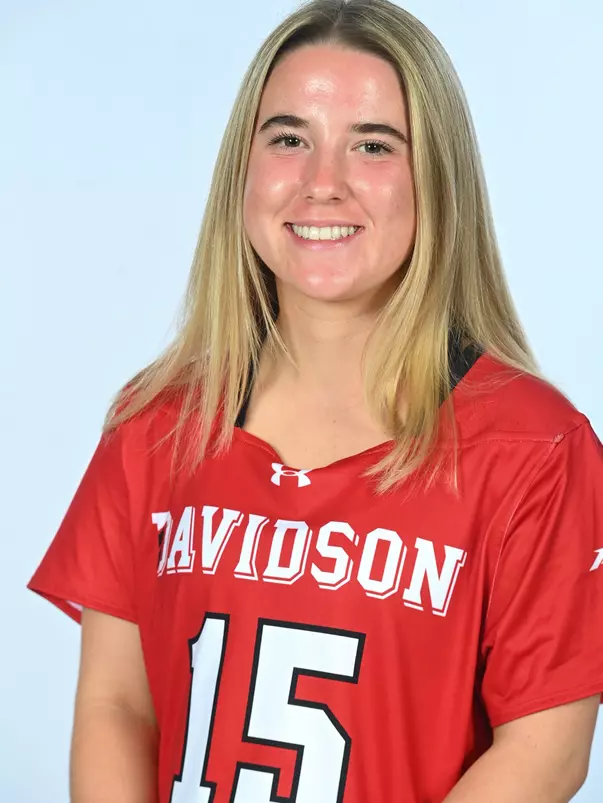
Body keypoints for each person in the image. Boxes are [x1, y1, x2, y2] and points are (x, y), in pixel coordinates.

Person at [28, 0, 603, 801]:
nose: (320, 183)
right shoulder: (157, 422)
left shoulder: (534, 447)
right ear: (245, 165)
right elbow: (116, 705)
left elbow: (545, 749)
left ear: (434, 178)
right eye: (289, 138)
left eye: (371, 145)